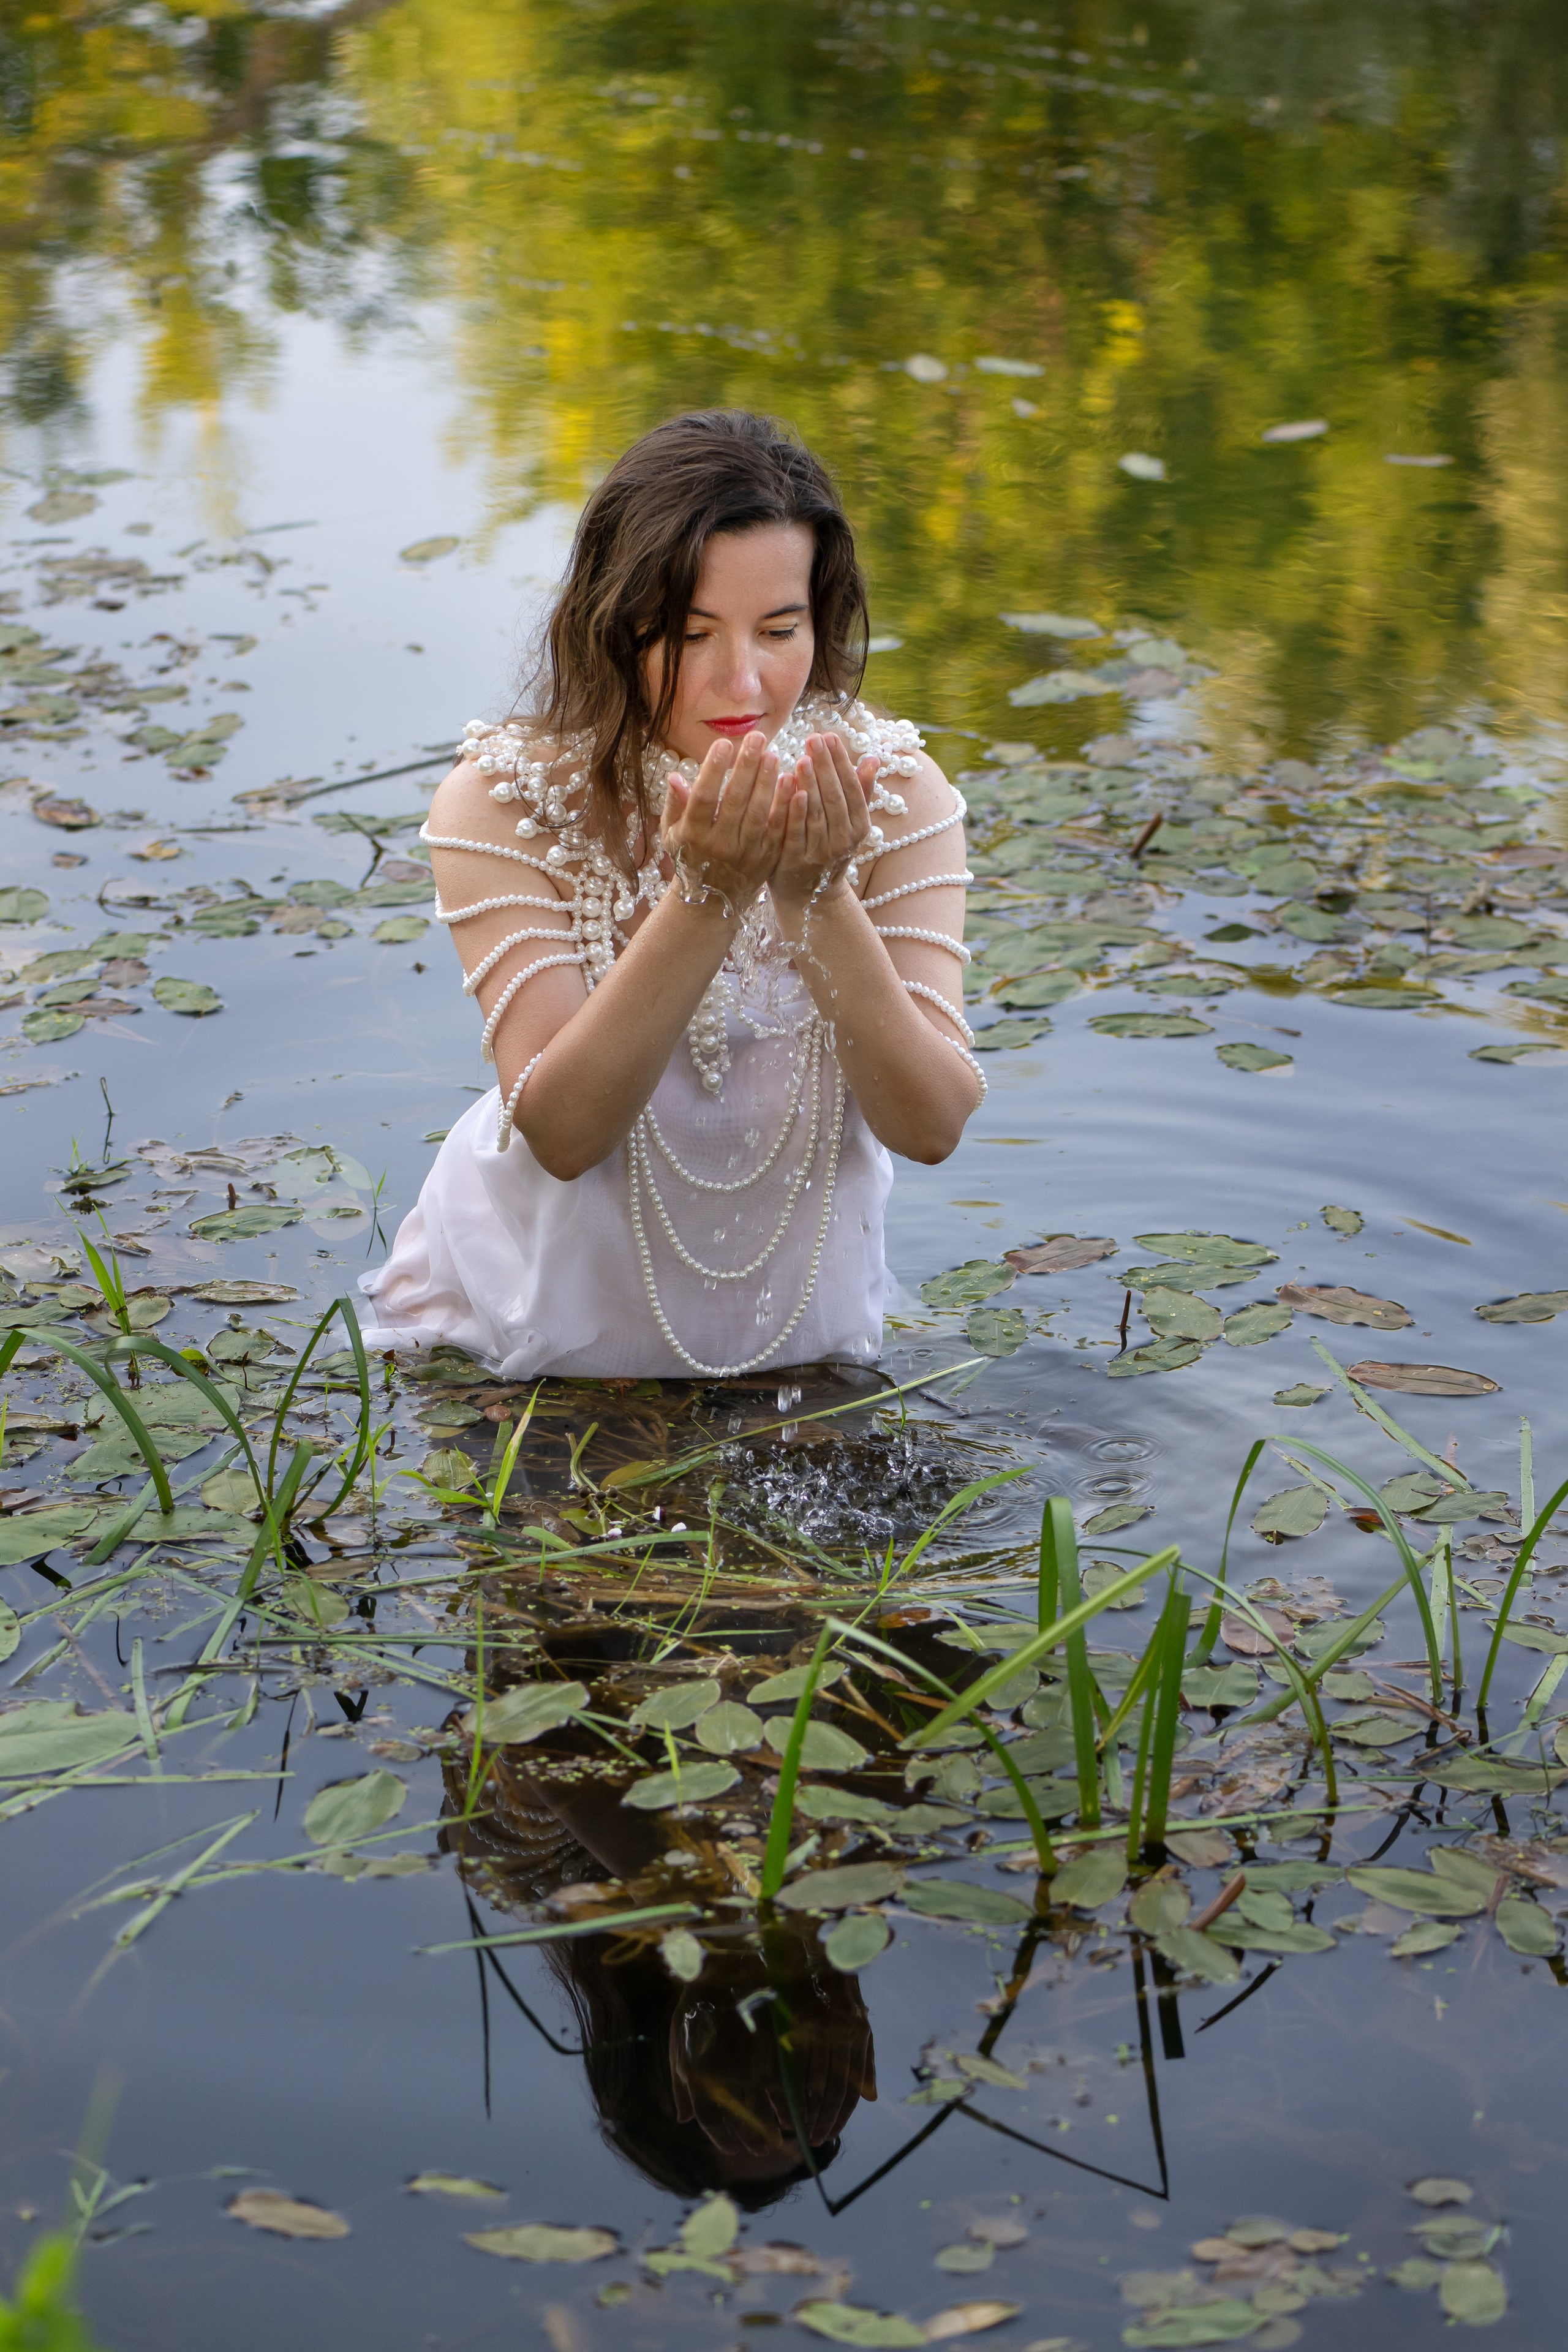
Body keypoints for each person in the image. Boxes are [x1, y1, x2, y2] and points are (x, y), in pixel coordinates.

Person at [360, 410, 980, 1380]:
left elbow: (932, 1125)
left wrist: (816, 899)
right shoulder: (506, 800)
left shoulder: (893, 792)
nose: (744, 679)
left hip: (803, 1336)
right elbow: (563, 1133)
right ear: (615, 627)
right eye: (692, 635)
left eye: (780, 629)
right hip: (523, 1332)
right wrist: (708, 896)